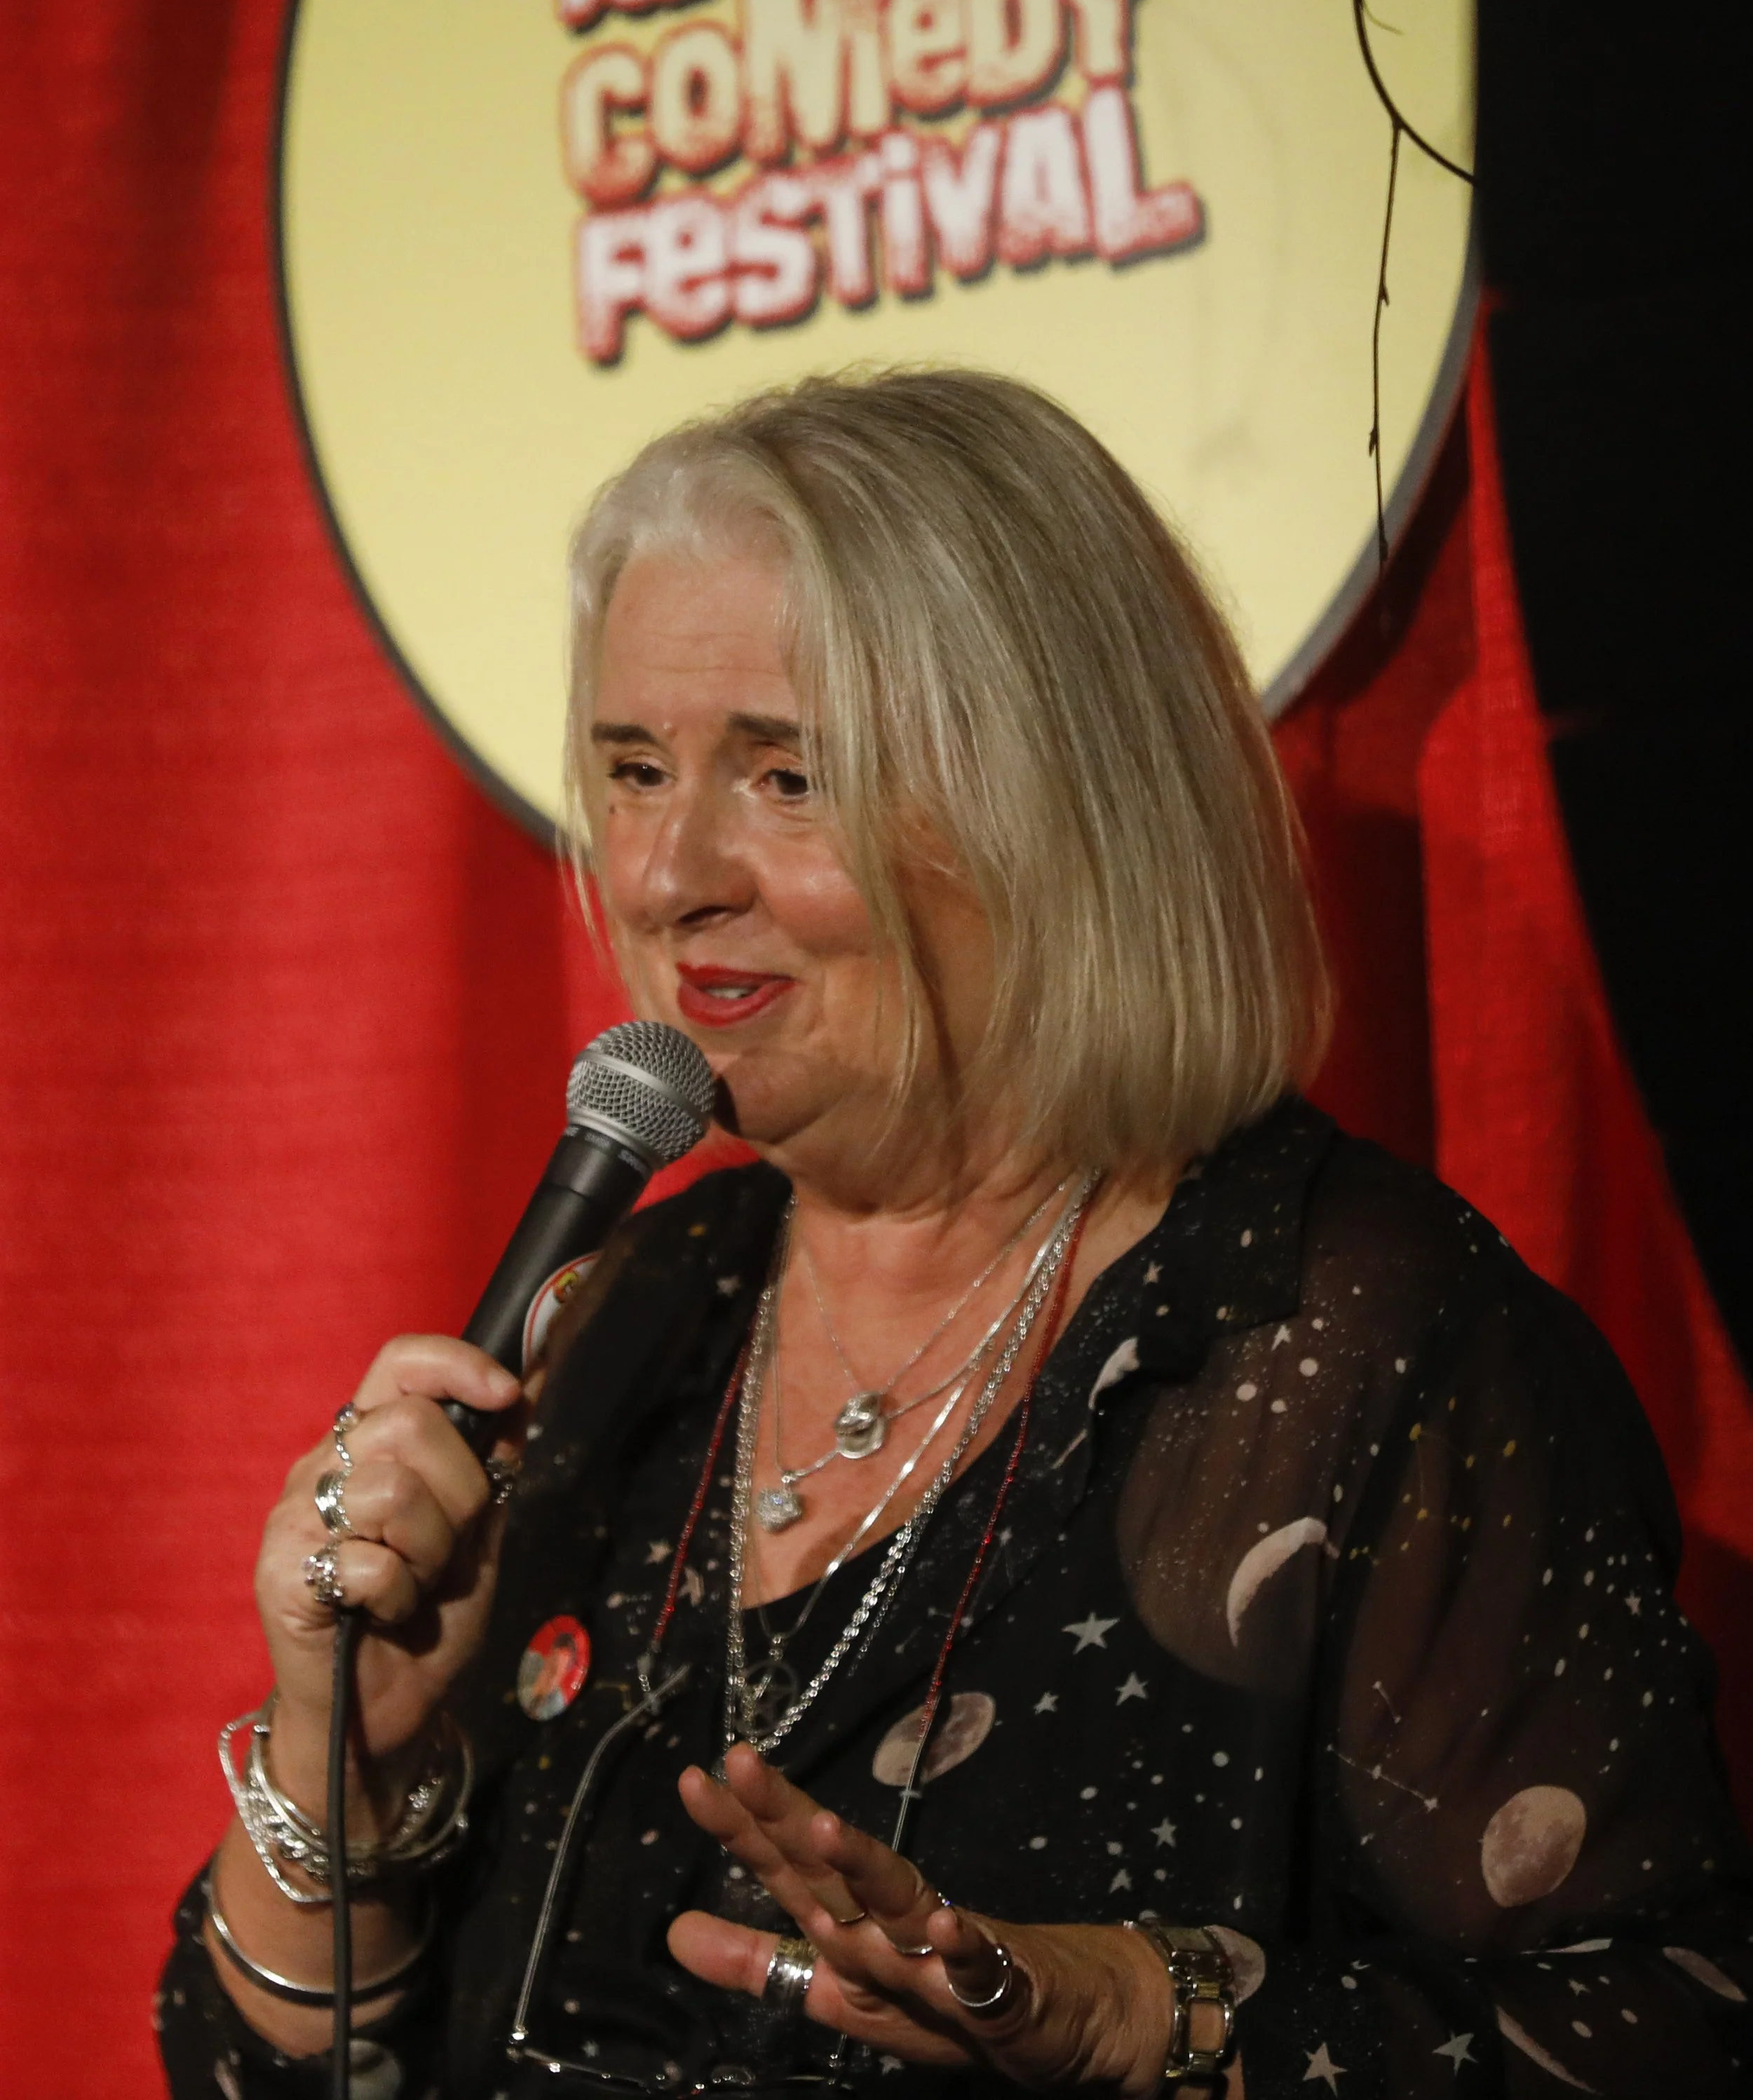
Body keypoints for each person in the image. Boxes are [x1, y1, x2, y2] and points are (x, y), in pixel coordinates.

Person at [160, 367, 1752, 2100]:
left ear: (1053, 805)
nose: (668, 869)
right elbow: (259, 2073)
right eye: (633, 768)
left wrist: (1134, 2017)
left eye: (786, 776)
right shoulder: (634, 1312)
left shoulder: (1347, 1337)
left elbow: (1666, 2032)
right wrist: (350, 1770)